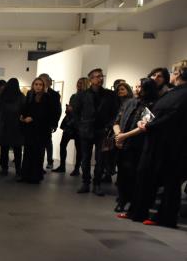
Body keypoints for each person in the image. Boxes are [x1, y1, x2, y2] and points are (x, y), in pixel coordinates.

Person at [121, 61, 187, 227]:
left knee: (170, 182)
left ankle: (165, 218)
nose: (170, 75)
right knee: (144, 176)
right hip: (155, 142)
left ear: (178, 74)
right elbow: (157, 111)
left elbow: (172, 116)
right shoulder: (171, 93)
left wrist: (148, 125)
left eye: (172, 72)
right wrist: (145, 122)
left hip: (171, 146)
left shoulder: (183, 94)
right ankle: (137, 211)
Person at [112, 78, 158, 213]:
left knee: (134, 175)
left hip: (138, 145)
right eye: (136, 86)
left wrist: (123, 137)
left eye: (140, 87)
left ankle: (131, 201)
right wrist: (118, 136)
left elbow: (144, 126)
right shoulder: (129, 102)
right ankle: (122, 199)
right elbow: (117, 121)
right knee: (121, 175)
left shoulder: (152, 104)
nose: (137, 89)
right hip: (122, 144)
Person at [71, 68, 118, 196]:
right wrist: (80, 126)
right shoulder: (82, 95)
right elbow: (75, 113)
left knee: (100, 159)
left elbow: (115, 113)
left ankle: (97, 184)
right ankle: (85, 182)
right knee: (85, 158)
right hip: (86, 131)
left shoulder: (110, 95)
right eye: (97, 76)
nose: (100, 78)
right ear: (91, 79)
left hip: (102, 132)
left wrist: (109, 126)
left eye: (101, 76)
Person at [19, 77, 52, 183]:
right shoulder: (30, 95)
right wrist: (22, 116)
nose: (38, 86)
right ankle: (25, 175)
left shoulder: (46, 98)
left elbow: (46, 114)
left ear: (43, 86)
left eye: (40, 85)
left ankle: (35, 176)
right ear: (33, 85)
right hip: (29, 130)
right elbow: (26, 108)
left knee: (37, 153)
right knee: (28, 152)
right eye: (36, 84)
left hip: (40, 130)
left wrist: (33, 118)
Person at [53, 77, 86, 175]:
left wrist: (73, 110)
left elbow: (85, 112)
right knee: (63, 145)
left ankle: (76, 169)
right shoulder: (73, 96)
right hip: (70, 124)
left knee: (78, 148)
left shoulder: (87, 97)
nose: (78, 85)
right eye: (78, 83)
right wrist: (68, 110)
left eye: (80, 83)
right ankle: (62, 166)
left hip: (79, 126)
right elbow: (70, 110)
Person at [0, 78, 24, 179]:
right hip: (17, 126)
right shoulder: (20, 96)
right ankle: (18, 170)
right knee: (17, 149)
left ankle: (4, 168)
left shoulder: (2, 96)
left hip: (5, 125)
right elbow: (24, 110)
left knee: (4, 148)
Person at [38, 73, 62, 171]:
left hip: (47, 123)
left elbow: (57, 110)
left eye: (44, 80)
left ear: (48, 81)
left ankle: (49, 161)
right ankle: (39, 164)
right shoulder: (35, 92)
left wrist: (54, 124)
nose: (42, 82)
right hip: (36, 123)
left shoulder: (55, 95)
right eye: (41, 80)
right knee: (38, 143)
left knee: (47, 142)